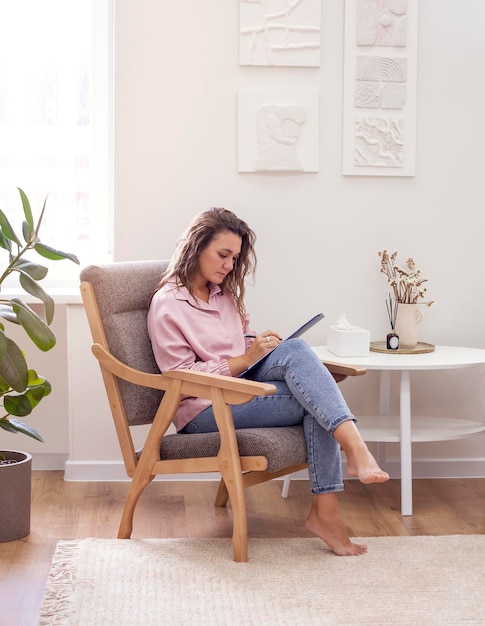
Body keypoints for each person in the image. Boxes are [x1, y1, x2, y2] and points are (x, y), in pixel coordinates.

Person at [147, 207, 389, 557]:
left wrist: (257, 348)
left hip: (240, 391)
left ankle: (332, 503)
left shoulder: (223, 294)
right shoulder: (167, 304)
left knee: (294, 349)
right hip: (202, 411)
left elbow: (237, 346)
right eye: (223, 255)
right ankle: (344, 474)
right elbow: (178, 377)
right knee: (317, 402)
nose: (229, 265)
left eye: (235, 257)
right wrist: (243, 360)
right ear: (196, 247)